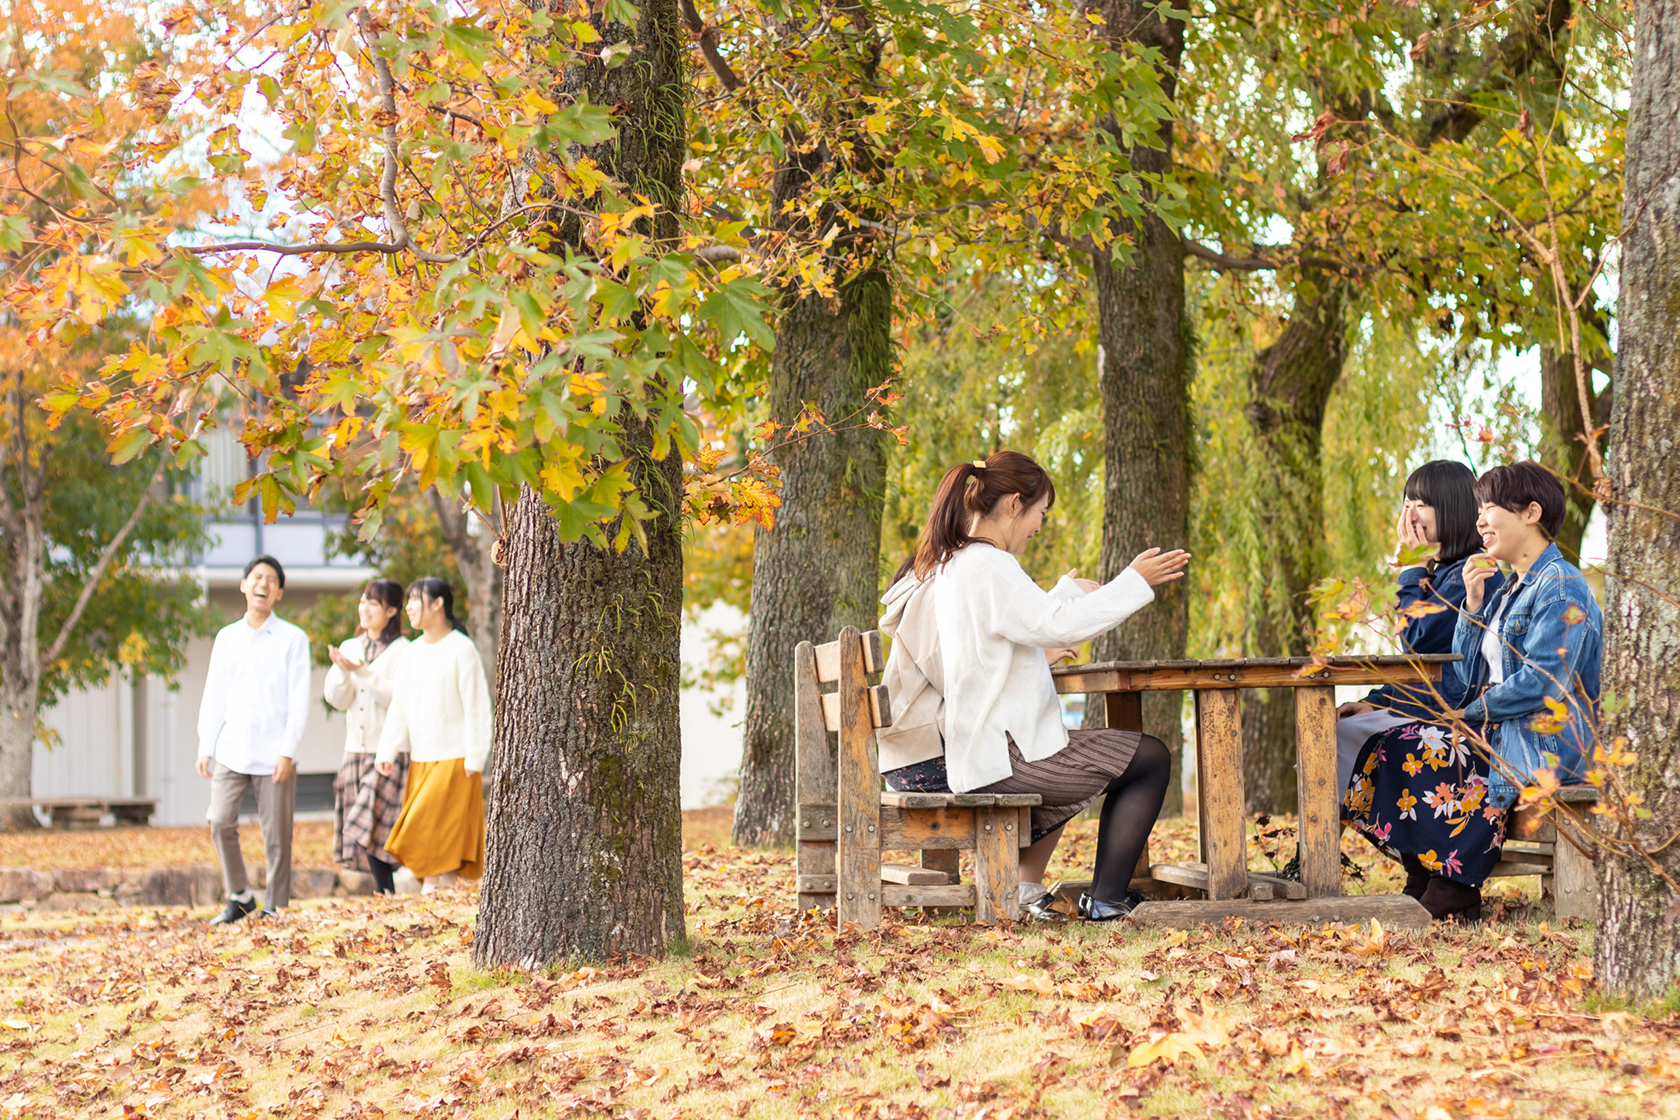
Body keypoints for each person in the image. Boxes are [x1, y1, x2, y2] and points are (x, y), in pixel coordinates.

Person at [900, 451, 1190, 921]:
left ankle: (1029, 887)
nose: (1039, 526)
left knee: (1097, 759)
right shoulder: (989, 565)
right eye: (1040, 513)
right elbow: (1055, 627)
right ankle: (1108, 898)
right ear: (1015, 504)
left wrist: (1072, 596)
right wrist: (1132, 582)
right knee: (1149, 758)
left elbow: (1018, 629)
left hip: (985, 750)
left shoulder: (958, 563)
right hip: (1004, 757)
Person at [1343, 462, 1602, 922]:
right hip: (1504, 732)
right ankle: (1427, 871)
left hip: (1547, 742)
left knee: (1425, 746)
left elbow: (1544, 682)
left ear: (1531, 513)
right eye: (1478, 509)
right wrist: (1474, 608)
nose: (1480, 519)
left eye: (1491, 508)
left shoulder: (1561, 587)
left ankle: (1454, 885)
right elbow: (1461, 680)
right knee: (1393, 744)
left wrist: (1469, 716)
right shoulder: (1507, 590)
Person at [1333, 461, 1503, 802]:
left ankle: (1320, 852)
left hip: (1454, 719)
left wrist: (1411, 566)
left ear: (1451, 507)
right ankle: (1317, 851)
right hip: (1425, 707)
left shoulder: (1474, 573)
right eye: (1406, 502)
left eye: (1420, 504)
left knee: (1338, 737)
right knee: (1333, 731)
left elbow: (1418, 638)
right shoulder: (1440, 574)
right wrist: (1375, 702)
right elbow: (1418, 663)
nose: (1409, 515)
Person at [197, 555, 311, 924]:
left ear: (278, 592)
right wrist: (206, 745)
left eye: (271, 579)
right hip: (232, 750)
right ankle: (240, 895)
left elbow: (299, 699)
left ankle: (273, 906)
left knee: (276, 835)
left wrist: (287, 752)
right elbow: (214, 694)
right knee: (219, 821)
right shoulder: (226, 637)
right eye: (256, 577)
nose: (263, 583)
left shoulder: (293, 638)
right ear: (244, 584)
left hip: (275, 753)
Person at [376, 578, 492, 893]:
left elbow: (477, 707)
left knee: (440, 838)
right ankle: (438, 903)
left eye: (416, 599)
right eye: (408, 600)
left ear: (438, 604)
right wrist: (387, 749)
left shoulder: (462, 649)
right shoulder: (410, 654)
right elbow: (399, 705)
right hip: (422, 758)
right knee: (434, 839)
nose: (409, 607)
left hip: (457, 759)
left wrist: (476, 755)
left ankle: (437, 900)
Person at [325, 579, 411, 895]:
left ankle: (385, 891)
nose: (364, 608)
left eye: (373, 603)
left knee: (374, 825)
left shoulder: (404, 651)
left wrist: (361, 671)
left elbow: (396, 699)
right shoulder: (351, 646)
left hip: (389, 751)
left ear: (391, 610)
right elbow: (337, 699)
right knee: (368, 828)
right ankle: (385, 892)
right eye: (362, 601)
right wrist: (343, 669)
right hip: (355, 750)